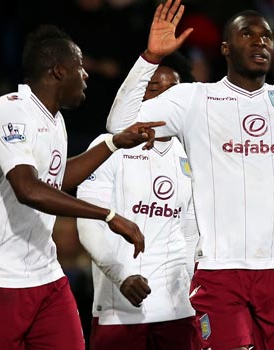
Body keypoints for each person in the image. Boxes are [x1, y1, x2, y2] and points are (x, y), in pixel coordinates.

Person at [106, 0, 274, 348]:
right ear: (226, 48)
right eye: (248, 34)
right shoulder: (194, 100)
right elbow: (119, 124)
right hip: (219, 271)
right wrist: (150, 59)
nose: (260, 42)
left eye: (267, 37)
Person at [0, 25, 164, 350]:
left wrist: (113, 143)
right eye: (80, 68)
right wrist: (108, 215)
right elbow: (29, 189)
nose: (86, 76)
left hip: (45, 274)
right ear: (58, 71)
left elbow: (56, 180)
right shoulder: (10, 111)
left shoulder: (54, 120)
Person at [76, 55, 200, 350]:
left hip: (178, 311)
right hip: (121, 309)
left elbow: (190, 231)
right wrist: (121, 276)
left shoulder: (191, 156)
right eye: (154, 89)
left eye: (173, 93)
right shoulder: (108, 147)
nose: (164, 101)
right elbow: (88, 223)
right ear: (139, 94)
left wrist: (190, 285)